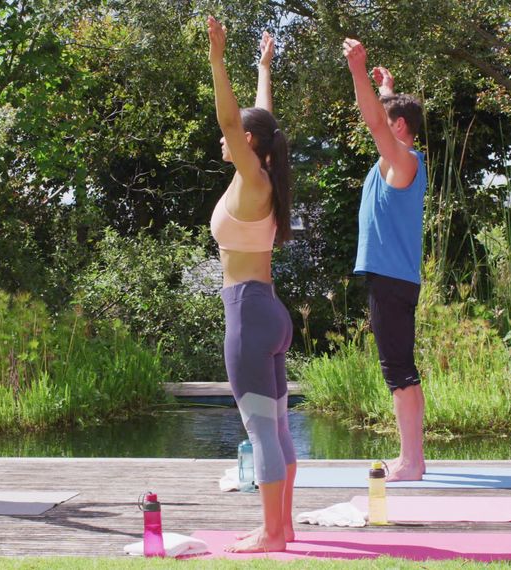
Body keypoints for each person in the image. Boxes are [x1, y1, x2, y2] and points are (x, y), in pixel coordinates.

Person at [207, 17, 296, 553]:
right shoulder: (264, 174)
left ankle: (270, 534)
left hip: (247, 313)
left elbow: (229, 116)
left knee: (260, 431)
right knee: (279, 429)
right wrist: (263, 68)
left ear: (246, 143)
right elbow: (260, 122)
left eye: (231, 134)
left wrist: (218, 59)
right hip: (271, 312)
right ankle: (281, 527)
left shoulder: (250, 178)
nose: (223, 136)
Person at [342, 38, 428, 481]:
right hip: (392, 278)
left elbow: (376, 120)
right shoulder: (398, 160)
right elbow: (385, 117)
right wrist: (389, 86)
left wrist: (358, 70)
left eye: (387, 119)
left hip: (392, 279)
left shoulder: (404, 160)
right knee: (401, 367)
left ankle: (411, 462)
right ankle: (414, 457)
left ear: (399, 127)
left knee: (398, 370)